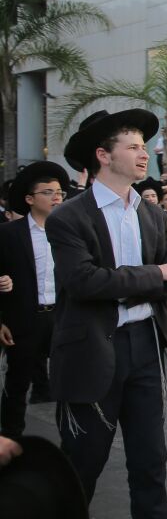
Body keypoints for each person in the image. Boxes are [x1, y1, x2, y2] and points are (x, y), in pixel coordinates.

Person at [47, 108, 167, 519]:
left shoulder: (153, 213)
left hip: (145, 346)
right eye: (133, 146)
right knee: (81, 463)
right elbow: (83, 282)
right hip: (91, 352)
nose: (143, 152)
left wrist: (152, 279)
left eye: (143, 146)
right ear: (103, 156)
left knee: (150, 462)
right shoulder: (70, 217)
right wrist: (151, 279)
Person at [0, 162, 70, 437]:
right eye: (48, 192)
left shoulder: (68, 232)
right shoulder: (8, 234)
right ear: (30, 199)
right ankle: (10, 438)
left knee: (71, 379)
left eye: (60, 192)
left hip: (63, 317)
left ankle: (74, 437)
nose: (56, 197)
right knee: (17, 382)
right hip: (25, 319)